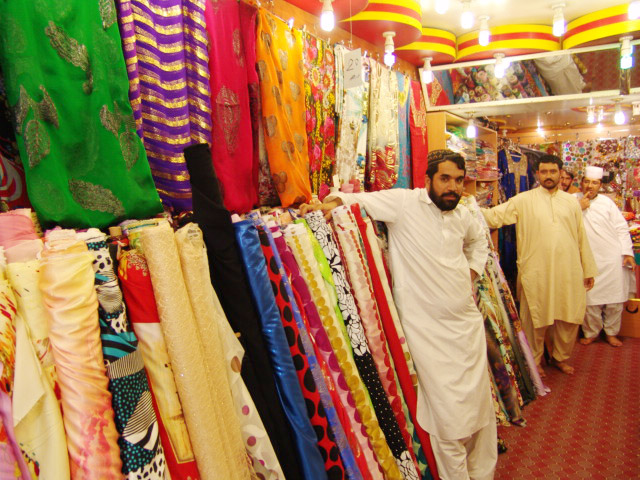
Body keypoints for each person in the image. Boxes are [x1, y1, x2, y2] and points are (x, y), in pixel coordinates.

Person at [301, 149, 496, 480]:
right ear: (428, 179)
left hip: (467, 325)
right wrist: (325, 206)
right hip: (427, 331)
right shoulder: (405, 203)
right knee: (447, 417)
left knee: (479, 409)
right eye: (445, 179)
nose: (453, 187)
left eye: (458, 180)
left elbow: (479, 243)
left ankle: (482, 472)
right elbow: (355, 200)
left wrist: (471, 273)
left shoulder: (462, 215)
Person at [481, 154, 598, 376]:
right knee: (535, 317)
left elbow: (581, 237)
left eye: (553, 171)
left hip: (568, 270)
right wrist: (467, 207)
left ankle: (560, 358)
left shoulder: (571, 203)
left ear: (560, 174)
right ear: (537, 174)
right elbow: (494, 217)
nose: (548, 176)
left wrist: (588, 269)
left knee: (568, 317)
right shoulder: (523, 200)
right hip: (536, 270)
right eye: (544, 172)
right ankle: (535, 361)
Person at [574, 166, 634, 347]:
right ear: (581, 182)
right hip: (586, 258)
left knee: (614, 300)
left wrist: (627, 253)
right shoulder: (571, 200)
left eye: (594, 183)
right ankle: (591, 333)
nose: (590, 186)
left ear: (600, 185)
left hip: (611, 257)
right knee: (590, 300)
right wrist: (578, 207)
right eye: (587, 182)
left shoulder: (607, 203)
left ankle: (611, 333)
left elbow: (621, 228)